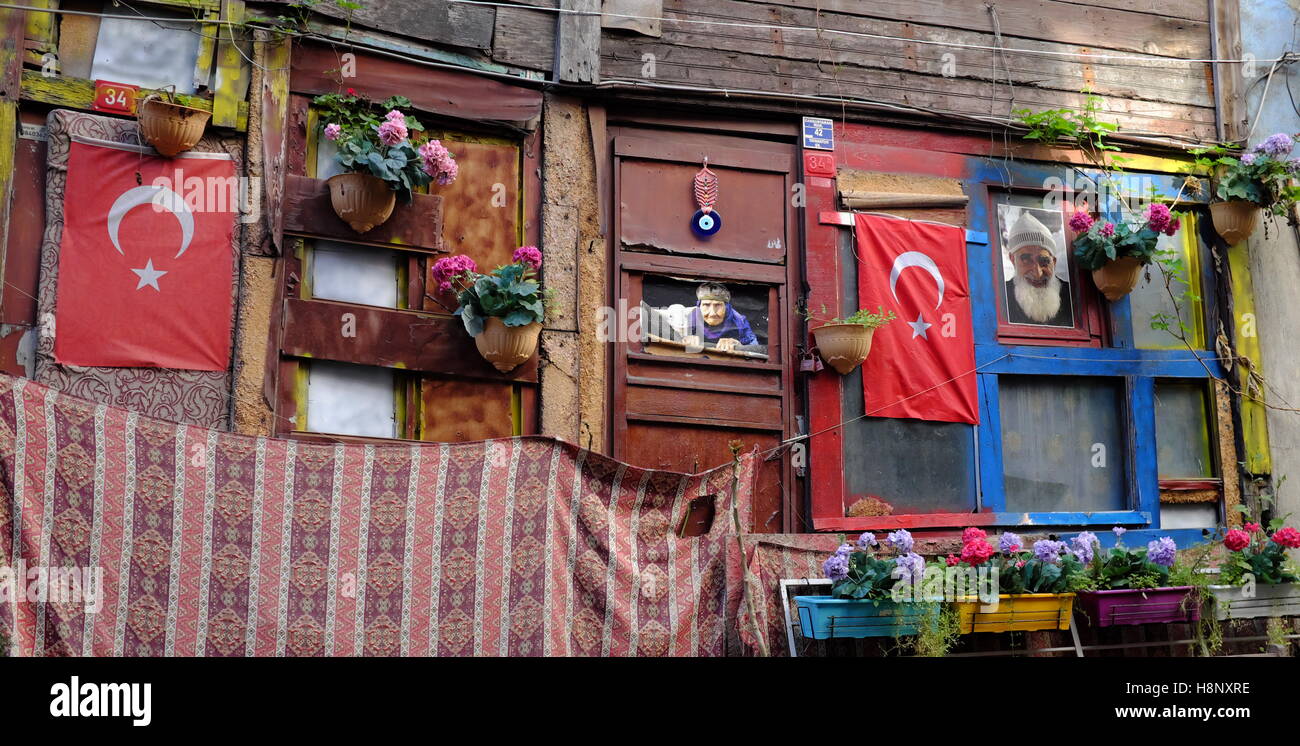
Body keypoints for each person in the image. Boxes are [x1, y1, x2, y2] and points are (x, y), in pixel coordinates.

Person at [1003, 211, 1073, 326]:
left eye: (1044, 261)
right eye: (1026, 260)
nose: (1037, 273)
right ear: (1012, 260)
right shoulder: (1001, 296)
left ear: (1054, 262)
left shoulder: (1071, 295)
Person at [682, 283, 762, 353]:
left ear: (726, 307)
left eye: (718, 305)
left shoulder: (739, 321)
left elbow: (755, 348)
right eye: (706, 305)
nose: (712, 313)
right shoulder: (689, 318)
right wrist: (684, 339)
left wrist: (739, 346)